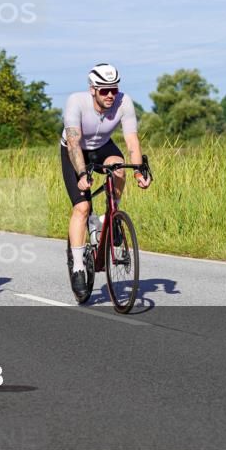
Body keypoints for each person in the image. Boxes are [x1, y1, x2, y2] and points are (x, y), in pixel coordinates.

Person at [61, 63, 151, 296]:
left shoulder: (124, 101)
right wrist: (82, 174)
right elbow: (73, 143)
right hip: (76, 150)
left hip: (102, 146)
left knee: (119, 169)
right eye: (104, 90)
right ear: (92, 89)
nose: (110, 94)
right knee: (82, 207)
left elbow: (132, 141)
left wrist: (139, 170)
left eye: (113, 89)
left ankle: (112, 216)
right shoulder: (76, 102)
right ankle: (79, 267)